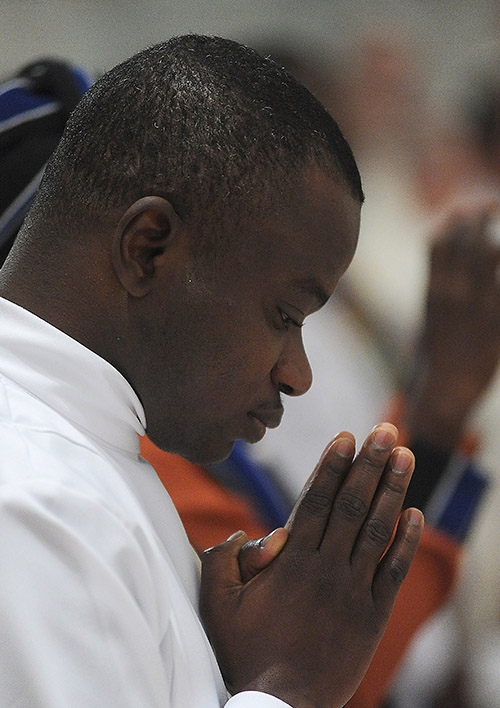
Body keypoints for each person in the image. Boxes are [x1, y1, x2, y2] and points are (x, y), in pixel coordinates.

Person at [0, 34, 424, 708]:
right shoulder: (34, 506)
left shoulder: (79, 459)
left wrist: (225, 672)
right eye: (285, 314)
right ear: (148, 248)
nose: (298, 374)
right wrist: (289, 687)